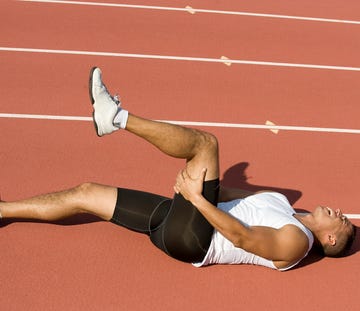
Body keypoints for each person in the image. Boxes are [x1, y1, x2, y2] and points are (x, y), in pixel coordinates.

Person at [0, 67, 356, 271]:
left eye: (340, 221)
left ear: (329, 239)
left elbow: (242, 238)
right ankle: (4, 210)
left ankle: (116, 118)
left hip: (195, 239)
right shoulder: (282, 203)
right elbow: (228, 194)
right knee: (86, 193)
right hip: (183, 215)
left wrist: (196, 200)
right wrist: (194, 191)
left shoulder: (297, 241)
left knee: (206, 145)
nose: (339, 212)